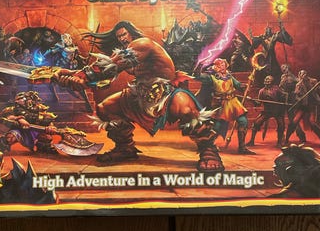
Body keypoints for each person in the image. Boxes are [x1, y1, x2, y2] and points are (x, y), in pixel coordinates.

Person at [53, 20, 225, 171]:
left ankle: (209, 151)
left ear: (132, 33)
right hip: (140, 93)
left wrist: (82, 76)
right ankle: (125, 148)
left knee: (187, 110)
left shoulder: (143, 44)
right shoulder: (125, 52)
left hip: (166, 92)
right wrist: (74, 76)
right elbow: (105, 72)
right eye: (119, 36)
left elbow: (109, 67)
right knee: (105, 108)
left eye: (124, 34)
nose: (122, 39)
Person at [197, 58, 254, 154]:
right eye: (220, 65)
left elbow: (238, 85)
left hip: (233, 102)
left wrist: (244, 86)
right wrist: (198, 69)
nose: (222, 67)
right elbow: (198, 77)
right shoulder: (211, 77)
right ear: (216, 66)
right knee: (217, 126)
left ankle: (242, 147)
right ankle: (208, 145)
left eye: (224, 65)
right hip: (221, 103)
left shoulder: (229, 76)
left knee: (243, 121)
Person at [284, 69, 320, 146]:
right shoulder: (298, 84)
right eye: (301, 75)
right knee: (294, 122)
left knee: (312, 123)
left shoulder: (313, 81)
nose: (303, 76)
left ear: (306, 74)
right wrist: (298, 98)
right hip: (303, 106)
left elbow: (319, 89)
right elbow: (296, 95)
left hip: (311, 105)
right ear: (299, 76)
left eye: (304, 74)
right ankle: (286, 140)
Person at [247, 75, 287, 147]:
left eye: (268, 79)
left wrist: (284, 102)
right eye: (266, 79)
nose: (266, 80)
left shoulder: (277, 89)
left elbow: (284, 96)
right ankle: (251, 141)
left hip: (277, 111)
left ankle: (279, 142)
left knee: (281, 125)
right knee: (256, 123)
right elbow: (259, 103)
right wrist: (252, 100)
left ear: (272, 81)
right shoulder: (261, 91)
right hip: (267, 111)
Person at [279, 63, 306, 143]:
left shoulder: (293, 77)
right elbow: (281, 86)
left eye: (284, 67)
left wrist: (296, 92)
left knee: (292, 119)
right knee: (281, 117)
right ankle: (281, 136)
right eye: (282, 68)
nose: (283, 69)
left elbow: (299, 83)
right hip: (283, 98)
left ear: (288, 68)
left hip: (291, 99)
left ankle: (301, 135)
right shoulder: (283, 77)